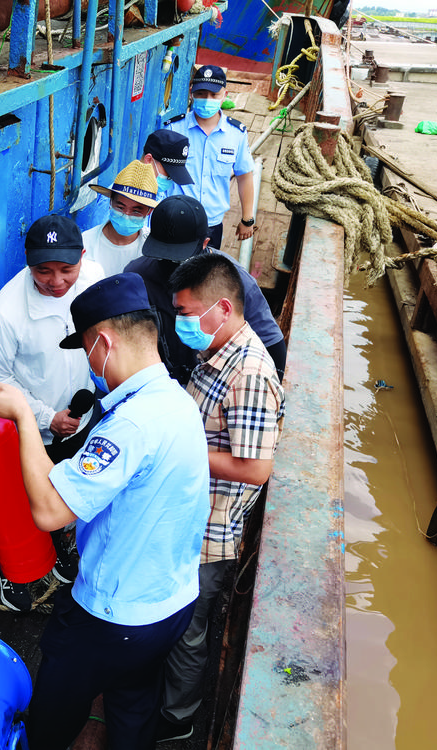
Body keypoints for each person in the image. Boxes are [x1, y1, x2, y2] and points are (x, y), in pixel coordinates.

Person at [0, 273, 210, 750]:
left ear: (102, 342)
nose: (89, 364)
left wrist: (21, 414)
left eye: (84, 350)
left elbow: (50, 513)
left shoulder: (130, 424)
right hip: (171, 602)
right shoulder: (175, 399)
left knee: (55, 711)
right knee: (132, 699)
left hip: (112, 617)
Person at [155, 253, 285, 743]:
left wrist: (180, 445)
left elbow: (256, 469)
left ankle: (177, 719)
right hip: (187, 512)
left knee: (190, 630)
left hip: (209, 531)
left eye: (187, 314)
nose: (181, 324)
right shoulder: (213, 353)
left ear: (223, 308)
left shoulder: (247, 373)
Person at [0, 214, 104, 605]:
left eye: (67, 269)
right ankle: (28, 566)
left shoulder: (95, 279)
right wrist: (48, 418)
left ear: (83, 258)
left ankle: (67, 549)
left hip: (85, 415)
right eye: (43, 270)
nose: (56, 281)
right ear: (28, 262)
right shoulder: (5, 312)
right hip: (37, 432)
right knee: (35, 501)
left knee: (75, 491)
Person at [125, 195, 287, 382]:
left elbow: (271, 342)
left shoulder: (234, 281)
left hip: (215, 383)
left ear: (204, 244)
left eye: (179, 258)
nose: (170, 264)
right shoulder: (137, 276)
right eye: (162, 255)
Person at [168, 64, 256, 250]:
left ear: (224, 95)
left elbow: (245, 176)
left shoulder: (236, 133)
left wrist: (247, 219)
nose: (207, 99)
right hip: (174, 219)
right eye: (201, 94)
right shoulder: (173, 129)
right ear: (192, 93)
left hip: (212, 224)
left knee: (205, 274)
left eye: (214, 95)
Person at [83, 160, 159, 276]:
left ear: (149, 211)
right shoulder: (85, 242)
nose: (127, 214)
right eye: (120, 207)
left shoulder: (155, 250)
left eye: (136, 211)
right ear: (110, 203)